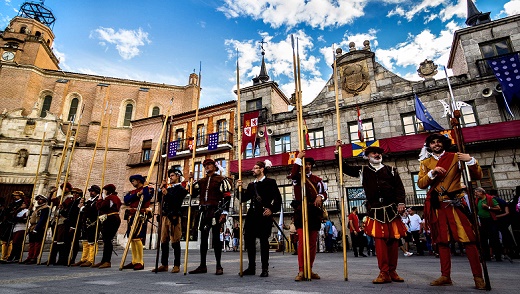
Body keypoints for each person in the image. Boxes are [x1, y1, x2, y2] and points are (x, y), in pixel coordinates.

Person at [418, 133, 485, 290]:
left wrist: (470, 161)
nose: (436, 144)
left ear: (443, 143)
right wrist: (432, 173)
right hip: (438, 206)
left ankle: (478, 277)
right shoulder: (426, 162)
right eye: (433, 143)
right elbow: (421, 183)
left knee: (468, 240)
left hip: (455, 203)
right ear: (429, 146)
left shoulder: (456, 156)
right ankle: (445, 276)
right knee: (442, 241)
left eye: (438, 142)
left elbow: (477, 175)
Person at [335, 140, 407, 284]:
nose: (377, 154)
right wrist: (338, 152)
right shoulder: (362, 170)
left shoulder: (391, 170)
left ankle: (393, 271)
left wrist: (400, 202)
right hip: (375, 212)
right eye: (374, 153)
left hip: (392, 210)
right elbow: (346, 168)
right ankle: (383, 272)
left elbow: (399, 187)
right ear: (367, 156)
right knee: (379, 243)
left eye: (379, 153)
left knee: (393, 242)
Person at [236, 160, 282, 277]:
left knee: (263, 242)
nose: (253, 170)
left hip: (263, 216)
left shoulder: (270, 182)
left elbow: (278, 199)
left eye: (255, 168)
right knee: (249, 242)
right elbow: (243, 198)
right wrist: (238, 188)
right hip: (252, 216)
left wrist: (271, 209)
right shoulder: (252, 185)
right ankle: (251, 267)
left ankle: (265, 268)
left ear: (262, 169)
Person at [188, 158, 232, 275]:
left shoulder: (221, 179)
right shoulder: (201, 181)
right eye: (205, 165)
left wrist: (224, 213)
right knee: (203, 238)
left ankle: (219, 265)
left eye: (209, 165)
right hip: (204, 211)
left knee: (216, 239)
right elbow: (193, 193)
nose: (207, 167)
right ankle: (202, 265)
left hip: (216, 211)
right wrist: (190, 181)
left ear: (214, 166)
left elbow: (227, 197)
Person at [290, 151, 327, 281]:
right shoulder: (297, 177)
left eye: (310, 164)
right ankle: (301, 270)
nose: (308, 166)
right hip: (301, 211)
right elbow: (293, 174)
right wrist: (298, 159)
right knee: (302, 242)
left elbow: (324, 193)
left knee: (312, 243)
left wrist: (319, 196)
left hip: (314, 213)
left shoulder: (318, 180)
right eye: (306, 164)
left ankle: (309, 269)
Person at [152, 168, 189, 273]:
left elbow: (175, 201)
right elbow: (159, 199)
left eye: (172, 175)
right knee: (163, 241)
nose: (170, 178)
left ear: (177, 176)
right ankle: (164, 264)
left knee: (175, 241)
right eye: (170, 176)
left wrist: (166, 193)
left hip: (174, 217)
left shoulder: (181, 189)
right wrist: (161, 188)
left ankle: (176, 264)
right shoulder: (168, 188)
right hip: (164, 216)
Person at [122, 175, 152, 270]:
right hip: (132, 215)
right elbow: (126, 200)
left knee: (137, 238)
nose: (132, 183)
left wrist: (145, 189)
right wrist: (138, 195)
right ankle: (134, 260)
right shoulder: (132, 192)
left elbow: (147, 198)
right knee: (131, 238)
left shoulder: (148, 189)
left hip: (140, 215)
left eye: (133, 181)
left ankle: (140, 261)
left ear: (139, 181)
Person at [46, 182, 76, 266]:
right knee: (54, 241)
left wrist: (61, 204)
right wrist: (51, 193)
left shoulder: (70, 197)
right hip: (56, 220)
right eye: (62, 187)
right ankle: (52, 258)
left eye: (66, 188)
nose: (64, 189)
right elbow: (49, 202)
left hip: (62, 220)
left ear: (69, 189)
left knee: (60, 240)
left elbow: (64, 205)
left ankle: (61, 259)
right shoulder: (60, 197)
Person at [72, 185, 101, 267]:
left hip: (93, 223)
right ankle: (84, 258)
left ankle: (91, 259)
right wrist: (82, 205)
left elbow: (92, 211)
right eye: (90, 191)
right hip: (85, 223)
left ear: (96, 192)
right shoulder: (89, 201)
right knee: (85, 241)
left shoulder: (97, 200)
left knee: (92, 242)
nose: (91, 193)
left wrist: (83, 208)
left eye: (93, 191)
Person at [93, 184, 121, 269]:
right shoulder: (110, 198)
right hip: (108, 218)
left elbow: (102, 206)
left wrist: (100, 200)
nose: (103, 192)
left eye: (104, 190)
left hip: (112, 219)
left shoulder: (112, 198)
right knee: (106, 240)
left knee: (108, 239)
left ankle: (107, 261)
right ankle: (103, 260)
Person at [474, 187, 502, 262]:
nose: (475, 194)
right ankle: (486, 256)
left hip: (491, 220)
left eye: (477, 192)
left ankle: (498, 256)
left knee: (494, 238)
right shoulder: (477, 200)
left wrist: (488, 207)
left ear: (481, 192)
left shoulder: (490, 199)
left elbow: (498, 208)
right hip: (482, 221)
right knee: (483, 239)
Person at [23, 194, 49, 264]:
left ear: (44, 200)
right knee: (31, 243)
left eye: (40, 199)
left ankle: (34, 257)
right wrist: (30, 211)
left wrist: (37, 229)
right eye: (38, 199)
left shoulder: (45, 208)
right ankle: (30, 256)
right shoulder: (37, 208)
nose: (38, 201)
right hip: (32, 226)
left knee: (37, 243)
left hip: (38, 227)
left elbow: (42, 219)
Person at [0, 191, 25, 262]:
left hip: (14, 223)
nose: (14, 197)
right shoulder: (12, 203)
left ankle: (9, 255)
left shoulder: (21, 203)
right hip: (8, 222)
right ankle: (4, 255)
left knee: (11, 240)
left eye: (16, 195)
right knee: (5, 239)